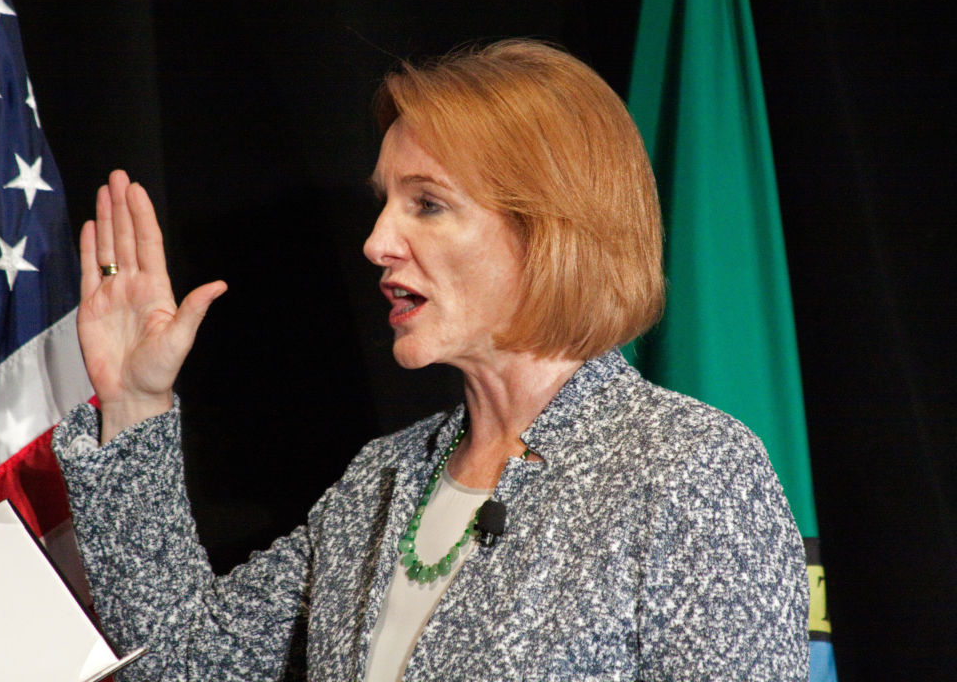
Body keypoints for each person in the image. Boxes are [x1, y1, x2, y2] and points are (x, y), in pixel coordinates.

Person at [53, 40, 808, 681]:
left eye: (428, 204)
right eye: (385, 201)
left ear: (549, 229)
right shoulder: (382, 482)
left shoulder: (687, 470)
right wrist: (132, 400)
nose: (376, 242)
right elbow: (181, 665)